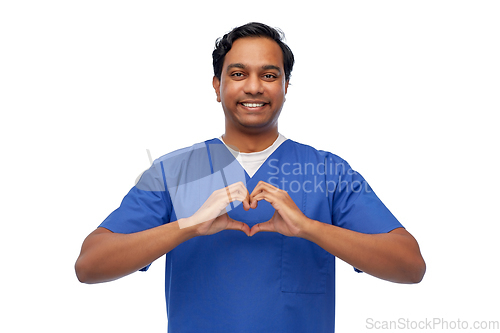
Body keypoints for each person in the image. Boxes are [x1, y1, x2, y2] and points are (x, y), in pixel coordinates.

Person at [75, 22, 426, 332]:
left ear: (286, 86)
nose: (254, 87)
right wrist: (189, 225)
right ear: (217, 86)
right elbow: (90, 265)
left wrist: (309, 227)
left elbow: (410, 265)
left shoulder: (327, 172)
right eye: (238, 74)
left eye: (269, 75)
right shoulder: (175, 171)